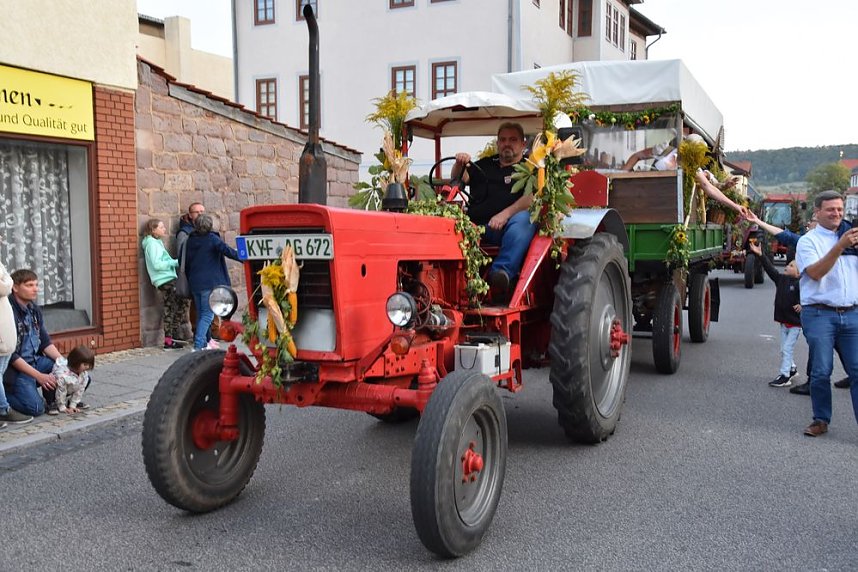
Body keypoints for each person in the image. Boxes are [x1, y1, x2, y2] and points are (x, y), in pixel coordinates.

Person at [747, 211, 852, 395]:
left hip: (840, 303)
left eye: (811, 221)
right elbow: (784, 235)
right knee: (822, 346)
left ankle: (843, 377)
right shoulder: (807, 240)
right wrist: (758, 222)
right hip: (821, 305)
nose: (808, 225)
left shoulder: (841, 240)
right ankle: (816, 384)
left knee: (838, 347)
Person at [450, 122, 538, 304]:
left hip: (508, 227)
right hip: (476, 227)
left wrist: (504, 215)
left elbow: (532, 198)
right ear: (497, 143)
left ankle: (501, 273)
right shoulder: (485, 164)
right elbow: (460, 178)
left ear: (523, 144)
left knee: (525, 219)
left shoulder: (530, 168)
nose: (507, 144)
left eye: (513, 140)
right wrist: (460, 163)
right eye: (503, 140)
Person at [794, 190, 858, 437]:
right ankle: (821, 419)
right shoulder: (808, 241)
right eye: (831, 209)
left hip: (852, 313)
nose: (837, 214)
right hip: (819, 314)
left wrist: (845, 243)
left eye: (840, 210)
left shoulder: (850, 237)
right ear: (817, 212)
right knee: (821, 371)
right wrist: (840, 247)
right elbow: (816, 273)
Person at [622, 133, 749, 219]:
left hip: (664, 207)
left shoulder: (692, 168)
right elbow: (637, 156)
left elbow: (710, 188)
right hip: (642, 197)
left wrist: (735, 206)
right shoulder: (665, 149)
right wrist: (621, 175)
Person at [5, 269, 63, 416]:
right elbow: (11, 355)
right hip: (16, 370)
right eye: (30, 285)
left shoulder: (34, 310)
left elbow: (45, 342)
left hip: (35, 361)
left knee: (65, 371)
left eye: (36, 285)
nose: (35, 289)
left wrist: (64, 364)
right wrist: (39, 376)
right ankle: (4, 400)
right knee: (35, 409)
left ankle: (52, 401)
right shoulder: (8, 312)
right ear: (15, 288)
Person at [748, 241, 801, 388]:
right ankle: (792, 368)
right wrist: (760, 255)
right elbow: (770, 269)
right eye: (788, 264)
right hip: (784, 323)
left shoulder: (800, 284)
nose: (787, 266)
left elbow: (810, 296)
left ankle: (785, 375)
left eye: (791, 266)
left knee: (786, 349)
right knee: (784, 348)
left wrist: (802, 305)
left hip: (795, 324)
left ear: (799, 273)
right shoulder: (781, 280)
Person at [185, 214, 240, 351]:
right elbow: (228, 251)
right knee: (207, 315)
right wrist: (245, 258)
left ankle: (203, 343)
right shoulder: (212, 239)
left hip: (195, 282)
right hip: (209, 283)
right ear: (209, 226)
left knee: (201, 313)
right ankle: (198, 345)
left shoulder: (190, 240)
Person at [142, 219, 186, 349]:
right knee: (170, 307)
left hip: (167, 278)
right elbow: (157, 264)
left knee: (178, 303)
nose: (164, 229)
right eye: (161, 227)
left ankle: (173, 336)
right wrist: (175, 263)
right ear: (153, 229)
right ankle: (169, 339)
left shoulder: (156, 242)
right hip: (164, 279)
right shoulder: (152, 244)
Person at [0, 259, 33, 426]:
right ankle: (3, 408)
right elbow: (4, 286)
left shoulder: (33, 308)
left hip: (7, 334)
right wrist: (8, 280)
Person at [175, 203, 206, 342]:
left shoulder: (206, 228)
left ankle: (213, 331)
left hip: (207, 272)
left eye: (202, 211)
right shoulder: (185, 232)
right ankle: (198, 333)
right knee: (196, 304)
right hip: (194, 272)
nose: (200, 214)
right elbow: (182, 254)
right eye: (197, 212)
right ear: (190, 214)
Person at [50, 346, 94, 415]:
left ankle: (70, 401)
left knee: (88, 379)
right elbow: (61, 390)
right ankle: (52, 403)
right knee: (50, 385)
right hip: (57, 389)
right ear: (75, 362)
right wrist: (62, 407)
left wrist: (73, 405)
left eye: (89, 365)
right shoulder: (64, 374)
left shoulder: (83, 374)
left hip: (70, 389)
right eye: (85, 364)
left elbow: (80, 390)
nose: (87, 367)